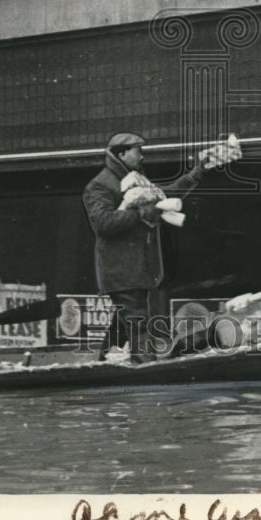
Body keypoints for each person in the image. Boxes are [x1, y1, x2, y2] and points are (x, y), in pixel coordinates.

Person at [83, 132, 236, 363]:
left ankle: (103, 363)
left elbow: (167, 196)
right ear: (122, 154)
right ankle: (146, 371)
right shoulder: (99, 186)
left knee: (127, 319)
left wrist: (197, 172)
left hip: (138, 269)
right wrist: (142, 213)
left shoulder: (137, 180)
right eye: (138, 151)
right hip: (123, 269)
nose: (142, 156)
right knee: (137, 320)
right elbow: (103, 223)